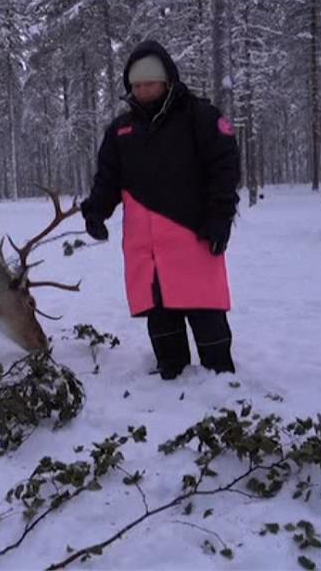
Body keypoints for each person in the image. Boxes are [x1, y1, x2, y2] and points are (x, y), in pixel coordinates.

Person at [80, 39, 241, 380]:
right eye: (136, 85)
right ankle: (171, 371)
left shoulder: (200, 116)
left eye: (149, 83)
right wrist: (96, 211)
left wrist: (220, 217)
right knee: (159, 308)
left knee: (204, 306)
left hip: (193, 234)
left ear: (167, 80)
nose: (142, 90)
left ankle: (220, 374)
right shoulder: (121, 130)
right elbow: (107, 178)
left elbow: (224, 169)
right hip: (145, 243)